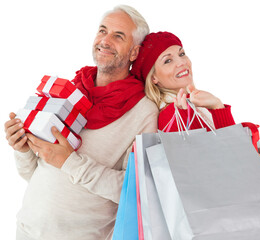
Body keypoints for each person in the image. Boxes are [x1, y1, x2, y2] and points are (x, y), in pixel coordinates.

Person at [4, 5, 158, 240]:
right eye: (102, 30)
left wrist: (70, 162)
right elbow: (37, 174)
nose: (105, 41)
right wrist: (23, 150)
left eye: (118, 36)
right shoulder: (72, 91)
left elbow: (134, 191)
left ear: (134, 52)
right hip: (27, 231)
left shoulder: (143, 111)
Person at [131, 31, 260, 183]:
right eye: (168, 61)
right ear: (153, 77)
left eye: (182, 54)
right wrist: (217, 108)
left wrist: (216, 106)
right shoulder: (173, 116)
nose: (181, 62)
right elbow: (224, 175)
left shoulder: (196, 107)